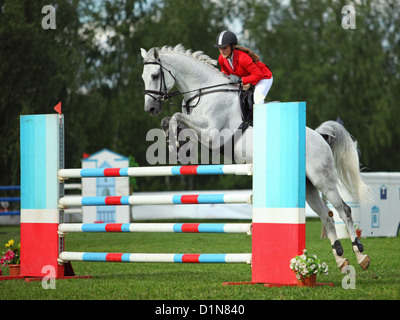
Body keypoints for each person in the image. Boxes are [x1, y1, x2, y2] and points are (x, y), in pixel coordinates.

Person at [214, 30, 273, 105]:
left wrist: (240, 80)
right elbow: (225, 71)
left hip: (264, 77)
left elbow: (258, 75)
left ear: (232, 46)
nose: (222, 51)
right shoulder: (221, 59)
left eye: (224, 48)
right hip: (249, 80)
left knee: (257, 100)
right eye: (220, 48)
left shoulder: (243, 58)